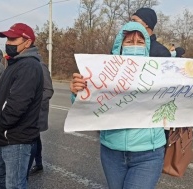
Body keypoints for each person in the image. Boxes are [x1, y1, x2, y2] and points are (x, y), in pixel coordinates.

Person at [70, 22, 166, 189]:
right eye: (129, 42)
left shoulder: (159, 74)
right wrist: (76, 92)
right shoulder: (104, 73)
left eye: (140, 42)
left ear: (147, 46)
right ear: (119, 46)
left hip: (148, 154)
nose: (134, 47)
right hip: (112, 153)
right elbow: (88, 107)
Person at [0, 23, 44, 189]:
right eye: (7, 39)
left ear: (27, 42)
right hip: (1, 135)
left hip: (15, 137)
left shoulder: (29, 66)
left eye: (13, 39)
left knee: (15, 184)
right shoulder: (15, 63)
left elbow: (17, 104)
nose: (8, 43)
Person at [28, 62, 54, 177]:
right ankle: (38, 164)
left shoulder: (40, 65)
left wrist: (32, 102)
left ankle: (27, 168)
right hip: (28, 109)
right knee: (35, 137)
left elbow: (48, 90)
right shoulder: (25, 63)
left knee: (32, 138)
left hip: (36, 110)